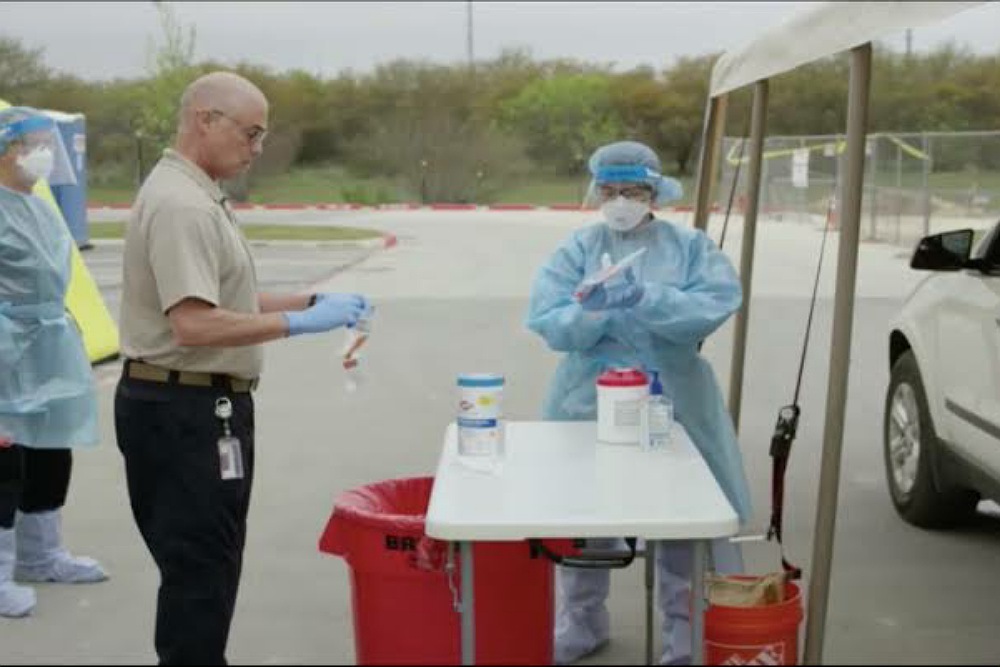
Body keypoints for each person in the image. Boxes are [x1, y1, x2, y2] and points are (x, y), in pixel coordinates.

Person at [115, 71, 370, 665]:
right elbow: (194, 324)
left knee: (210, 566)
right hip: (183, 411)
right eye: (250, 133)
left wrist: (311, 302)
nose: (256, 149)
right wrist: (294, 324)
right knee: (199, 573)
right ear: (205, 120)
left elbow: (222, 298)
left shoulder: (198, 194)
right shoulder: (182, 205)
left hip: (199, 405)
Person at [525, 140, 753, 665]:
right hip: (588, 399)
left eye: (633, 190)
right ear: (596, 191)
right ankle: (581, 622)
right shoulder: (577, 249)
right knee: (587, 514)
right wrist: (593, 310)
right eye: (610, 191)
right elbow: (548, 321)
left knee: (682, 517)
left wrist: (646, 298)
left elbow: (714, 305)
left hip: (674, 397)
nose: (621, 201)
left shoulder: (689, 247)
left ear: (655, 192)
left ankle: (685, 633)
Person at [0, 106, 109, 619]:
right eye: (35, 144)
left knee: (51, 448)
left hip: (48, 344)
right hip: (5, 348)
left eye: (48, 144)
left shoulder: (40, 206)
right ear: (7, 150)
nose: (44, 153)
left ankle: (41, 556)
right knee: (6, 459)